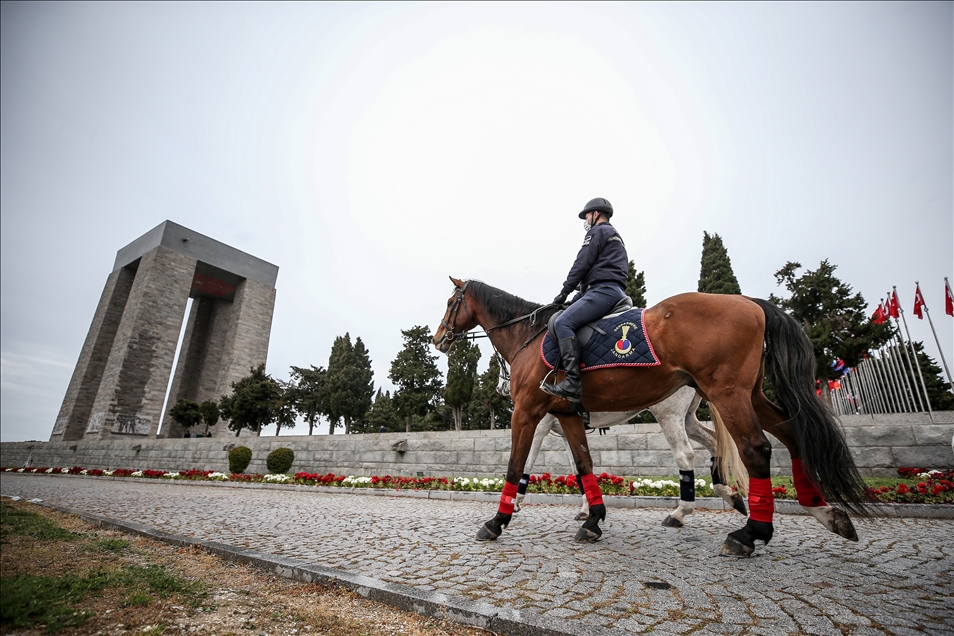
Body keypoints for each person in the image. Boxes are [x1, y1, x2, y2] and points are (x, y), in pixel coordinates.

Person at [541, 197, 629, 402]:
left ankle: (572, 381)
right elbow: (596, 271)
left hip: (603, 291)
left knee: (563, 322)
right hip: (607, 290)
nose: (586, 220)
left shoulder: (597, 232)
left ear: (596, 214)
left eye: (587, 215)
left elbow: (582, 263)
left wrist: (564, 291)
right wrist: (576, 297)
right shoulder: (615, 235)